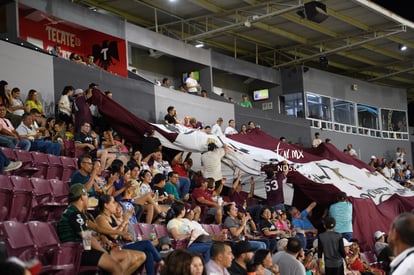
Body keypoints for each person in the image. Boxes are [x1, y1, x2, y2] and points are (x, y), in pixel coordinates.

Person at [57, 184, 140, 275]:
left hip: (79, 250)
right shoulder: (75, 214)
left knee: (122, 262)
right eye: (87, 195)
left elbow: (97, 228)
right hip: (76, 253)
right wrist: (104, 252)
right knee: (116, 267)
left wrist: (116, 233)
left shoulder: (75, 212)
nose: (88, 198)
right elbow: (87, 239)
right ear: (81, 198)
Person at [95, 194, 164, 275]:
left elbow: (123, 232)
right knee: (147, 244)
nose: (115, 205)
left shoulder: (112, 217)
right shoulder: (101, 218)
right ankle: (162, 263)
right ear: (106, 205)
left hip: (122, 244)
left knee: (148, 252)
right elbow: (113, 235)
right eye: (113, 202)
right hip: (113, 248)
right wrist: (125, 220)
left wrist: (126, 221)